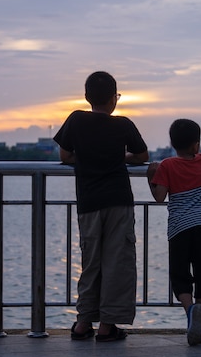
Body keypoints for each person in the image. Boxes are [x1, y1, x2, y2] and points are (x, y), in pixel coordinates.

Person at [54, 71, 149, 342]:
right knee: (117, 262)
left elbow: (65, 154)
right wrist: (121, 157)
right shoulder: (123, 124)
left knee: (91, 261)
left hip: (88, 202)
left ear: (86, 97)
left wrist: (86, 158)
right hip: (118, 200)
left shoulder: (75, 119)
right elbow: (142, 155)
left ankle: (83, 322)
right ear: (113, 99)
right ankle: (107, 326)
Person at [146, 118, 201, 346]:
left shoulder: (166, 166)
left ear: (173, 144)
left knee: (181, 276)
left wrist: (150, 178)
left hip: (178, 230)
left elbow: (159, 196)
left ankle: (190, 311)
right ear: (197, 144)